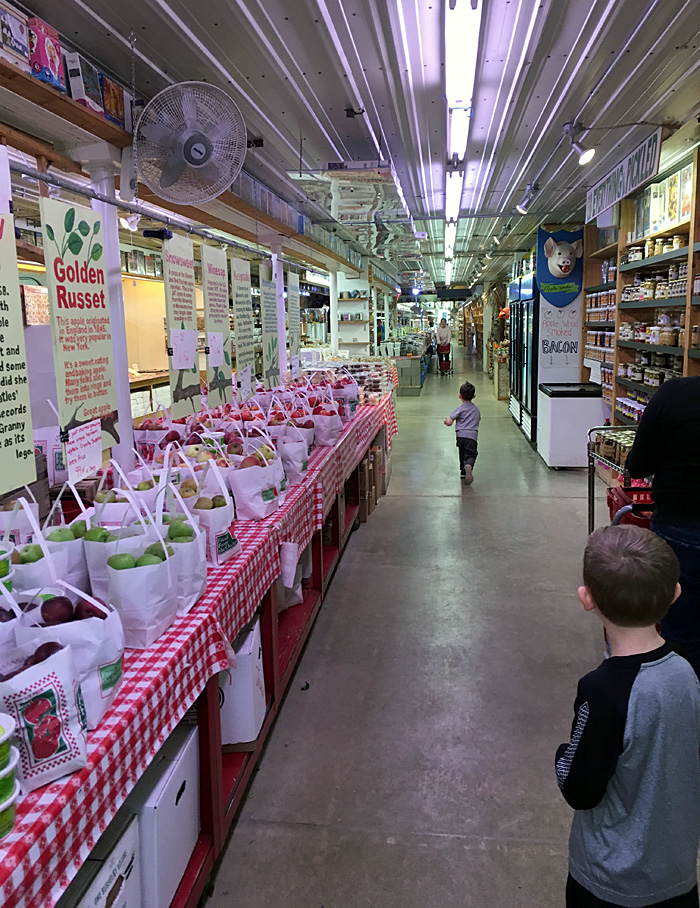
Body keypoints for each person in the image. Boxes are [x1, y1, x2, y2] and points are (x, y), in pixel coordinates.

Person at [556, 525, 700, 908]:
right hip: (677, 874)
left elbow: (580, 788)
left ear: (587, 599)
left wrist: (561, 756)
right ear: (675, 593)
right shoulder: (688, 672)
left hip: (607, 882)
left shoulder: (602, 691)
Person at [625, 376, 700, 672]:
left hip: (681, 527)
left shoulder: (677, 393)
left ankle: (684, 707)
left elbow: (639, 464)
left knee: (682, 630)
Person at [443, 381, 480, 483]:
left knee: (462, 453)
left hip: (460, 436)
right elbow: (478, 420)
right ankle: (469, 465)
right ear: (474, 396)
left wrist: (446, 421)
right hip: (472, 436)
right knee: (471, 454)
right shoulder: (476, 410)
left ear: (460, 396)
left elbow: (450, 422)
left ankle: (463, 472)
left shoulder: (460, 409)